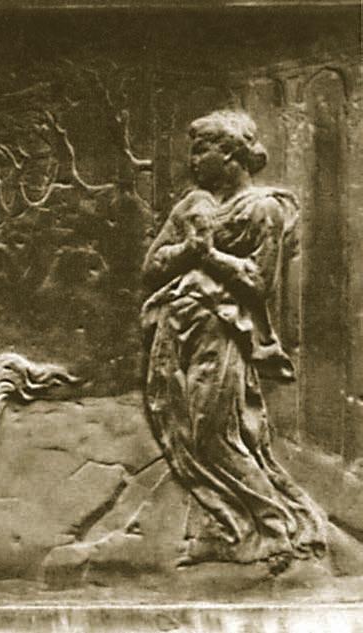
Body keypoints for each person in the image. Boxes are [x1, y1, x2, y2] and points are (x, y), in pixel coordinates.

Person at [141, 110, 326, 567]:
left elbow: (259, 282)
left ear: (230, 154)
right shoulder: (193, 205)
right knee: (181, 431)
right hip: (175, 325)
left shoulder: (262, 209)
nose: (192, 161)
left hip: (221, 329)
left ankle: (274, 529)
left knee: (213, 435)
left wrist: (207, 255)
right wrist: (188, 248)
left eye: (201, 150)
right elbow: (152, 267)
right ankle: (230, 527)